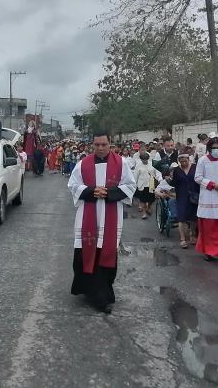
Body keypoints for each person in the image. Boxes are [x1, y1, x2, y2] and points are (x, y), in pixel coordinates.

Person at [67, 132, 136, 313]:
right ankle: (86, 289)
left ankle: (102, 296)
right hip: (87, 217)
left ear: (110, 143)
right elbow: (73, 185)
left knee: (104, 255)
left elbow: (130, 186)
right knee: (85, 253)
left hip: (110, 216)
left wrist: (108, 193)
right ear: (92, 144)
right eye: (96, 144)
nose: (100, 148)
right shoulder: (83, 164)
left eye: (104, 144)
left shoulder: (121, 164)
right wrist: (91, 191)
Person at [172, 154, 199, 248]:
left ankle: (192, 234)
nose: (183, 163)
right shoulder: (177, 170)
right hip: (182, 196)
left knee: (193, 217)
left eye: (185, 161)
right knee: (181, 217)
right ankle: (182, 239)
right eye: (181, 162)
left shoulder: (195, 168)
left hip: (194, 195)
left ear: (188, 160)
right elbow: (174, 183)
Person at [133, 152, 161, 219]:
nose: (145, 160)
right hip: (142, 185)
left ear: (148, 159)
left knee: (151, 199)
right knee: (143, 200)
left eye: (146, 159)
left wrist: (159, 180)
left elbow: (157, 172)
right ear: (141, 159)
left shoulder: (152, 164)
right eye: (143, 159)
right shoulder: (138, 166)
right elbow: (135, 176)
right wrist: (134, 185)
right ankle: (144, 213)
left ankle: (149, 207)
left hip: (151, 184)